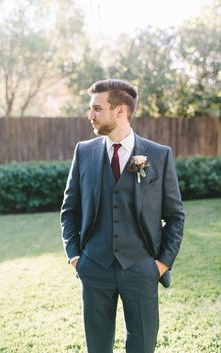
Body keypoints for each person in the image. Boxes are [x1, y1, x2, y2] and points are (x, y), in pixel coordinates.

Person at [60, 79, 185, 353]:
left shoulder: (159, 155)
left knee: (142, 346)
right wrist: (75, 256)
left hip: (142, 269)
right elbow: (69, 210)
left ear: (120, 112)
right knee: (98, 347)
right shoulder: (84, 152)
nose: (90, 115)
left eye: (97, 108)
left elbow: (175, 216)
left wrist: (161, 264)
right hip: (94, 266)